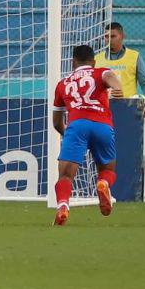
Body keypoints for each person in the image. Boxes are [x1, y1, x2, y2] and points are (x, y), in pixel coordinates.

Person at [51, 44, 122, 226]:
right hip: (102, 125)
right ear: (94, 61)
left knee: (65, 176)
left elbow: (57, 122)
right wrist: (117, 87)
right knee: (108, 170)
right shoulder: (100, 72)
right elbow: (109, 76)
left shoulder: (63, 84)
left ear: (73, 62)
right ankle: (103, 184)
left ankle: (63, 206)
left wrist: (68, 135)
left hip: (76, 126)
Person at [95, 22, 145, 99]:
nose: (109, 40)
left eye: (112, 36)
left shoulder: (134, 57)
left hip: (128, 106)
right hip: (104, 107)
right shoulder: (97, 59)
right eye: (106, 36)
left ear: (122, 36)